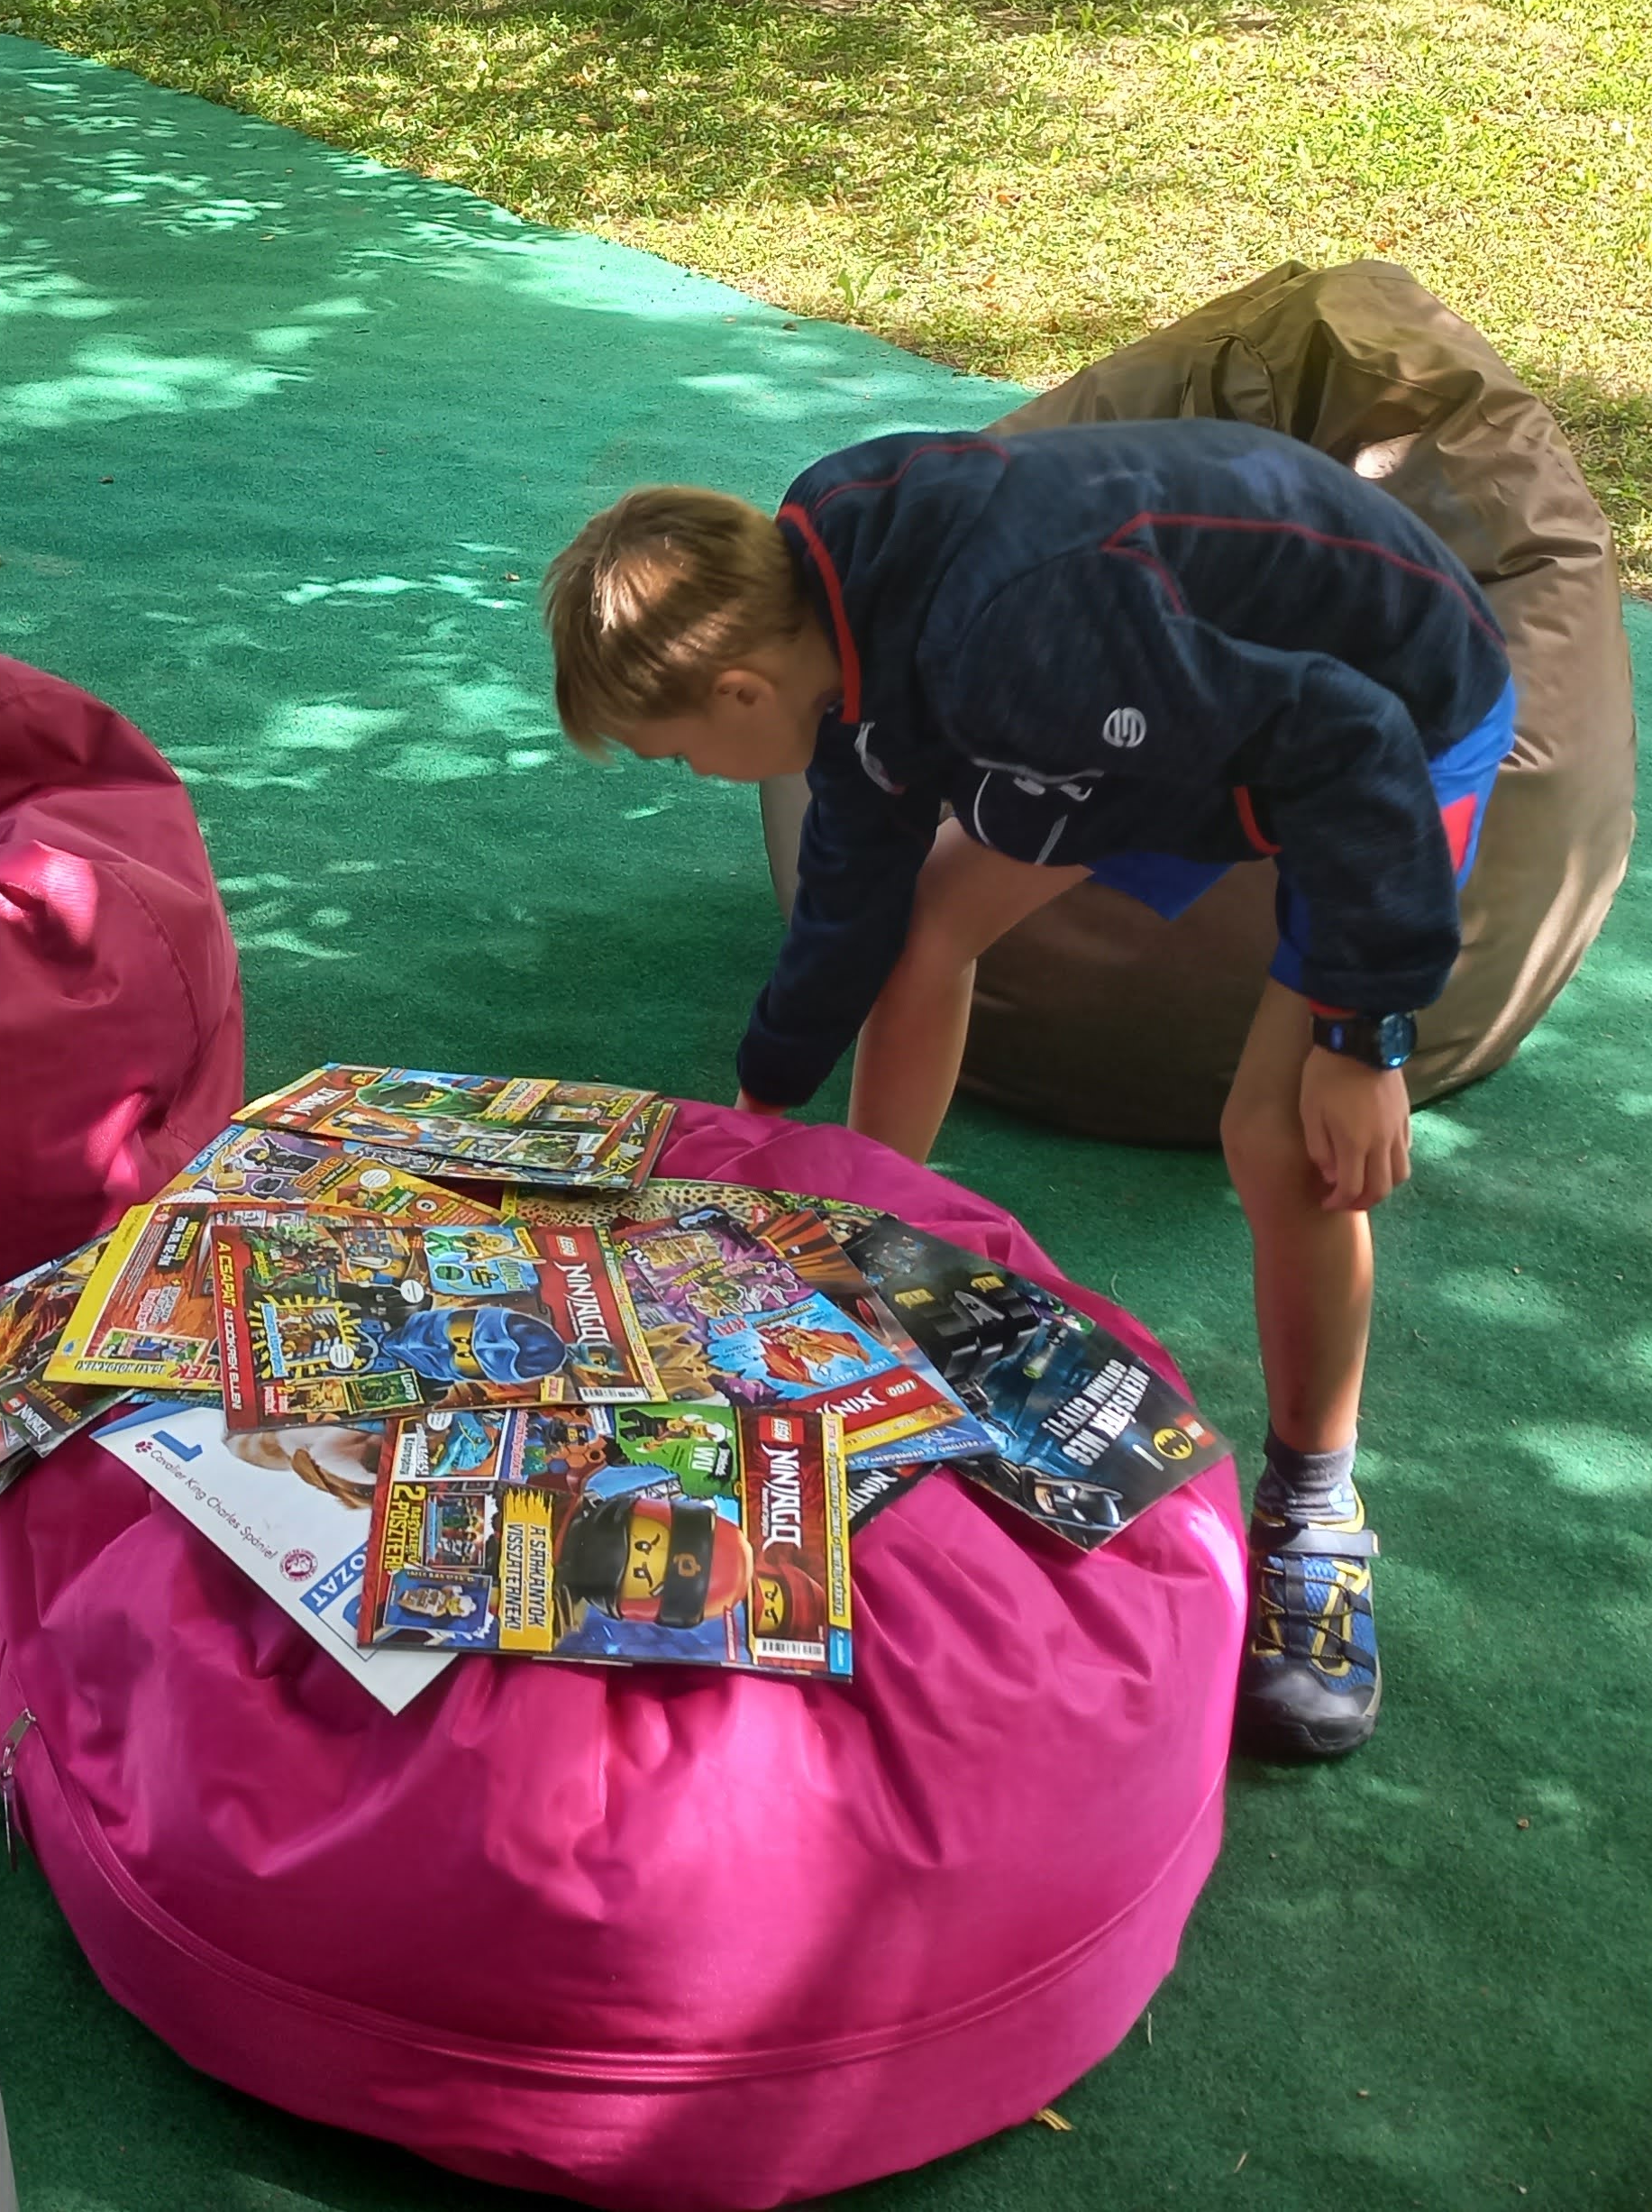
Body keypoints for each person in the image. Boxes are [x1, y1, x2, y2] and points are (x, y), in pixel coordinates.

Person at [542, 424, 1519, 1763]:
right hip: (1170, 693)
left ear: (739, 692)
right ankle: (859, 1264)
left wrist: (1363, 1036)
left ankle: (1315, 1509)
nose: (698, 781)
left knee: (1278, 1137)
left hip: (1386, 723)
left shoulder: (1017, 645)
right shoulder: (834, 625)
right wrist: (763, 1107)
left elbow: (1345, 741)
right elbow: (854, 893)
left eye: (675, 756)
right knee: (925, 931)